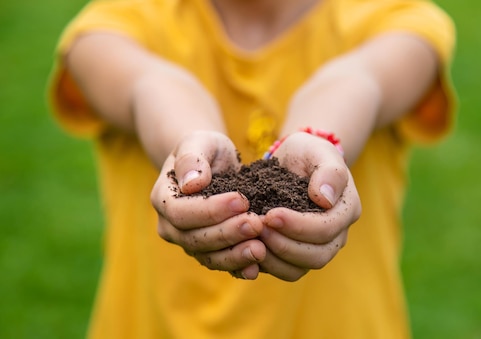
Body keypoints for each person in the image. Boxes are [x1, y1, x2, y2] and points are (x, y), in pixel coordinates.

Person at [48, 0, 456, 337]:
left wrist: (320, 142)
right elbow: (151, 85)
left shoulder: (397, 21)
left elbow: (359, 80)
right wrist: (189, 146)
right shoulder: (114, 24)